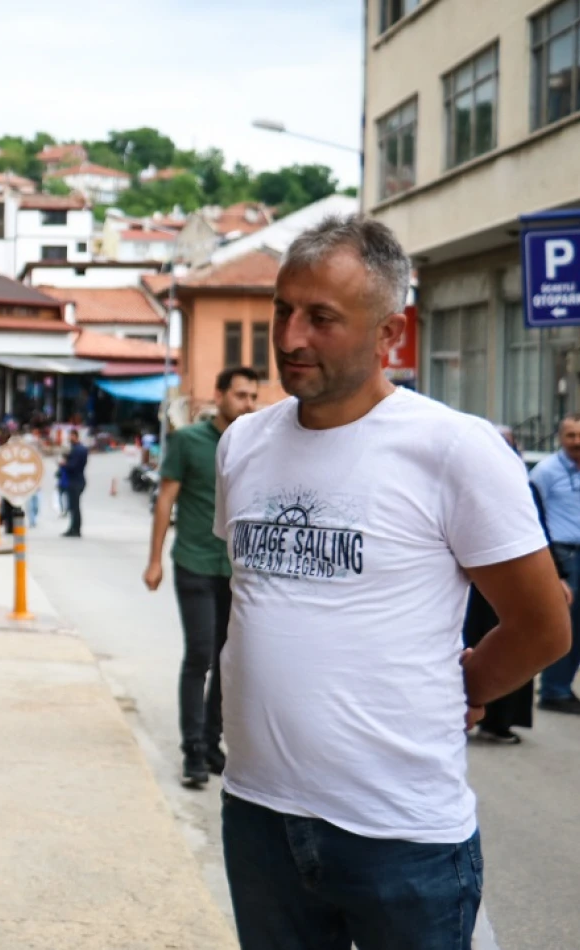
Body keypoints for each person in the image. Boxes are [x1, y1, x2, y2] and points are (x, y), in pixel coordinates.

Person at [214, 215, 571, 948]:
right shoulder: (243, 443)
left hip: (399, 836)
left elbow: (544, 626)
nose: (289, 339)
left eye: (322, 318)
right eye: (283, 310)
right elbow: (252, 602)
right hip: (257, 815)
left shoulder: (452, 450)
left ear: (389, 333)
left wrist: (468, 687)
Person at [143, 366, 260, 788]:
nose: (248, 404)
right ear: (220, 394)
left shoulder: (254, 443)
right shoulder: (188, 441)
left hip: (239, 571)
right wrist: (154, 560)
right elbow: (165, 500)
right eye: (241, 395)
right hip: (194, 560)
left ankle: (212, 744)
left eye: (253, 397)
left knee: (229, 661)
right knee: (200, 655)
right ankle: (192, 750)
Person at [466, 426, 569, 743]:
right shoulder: (467, 484)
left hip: (516, 582)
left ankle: (500, 720)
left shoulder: (522, 486)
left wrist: (557, 575)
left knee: (516, 643)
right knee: (479, 640)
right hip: (479, 586)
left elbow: (537, 538)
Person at [527, 414, 580, 715]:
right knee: (565, 624)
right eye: (570, 435)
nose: (576, 442)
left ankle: (563, 686)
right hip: (564, 554)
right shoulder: (546, 472)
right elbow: (532, 514)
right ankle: (553, 689)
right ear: (560, 438)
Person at [58, 429, 88, 537]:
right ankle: (73, 528)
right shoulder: (75, 449)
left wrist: (64, 464)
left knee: (74, 507)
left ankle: (75, 529)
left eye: (71, 436)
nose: (69, 438)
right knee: (73, 506)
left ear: (75, 436)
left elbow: (73, 466)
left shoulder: (78, 450)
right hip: (75, 480)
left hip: (75, 481)